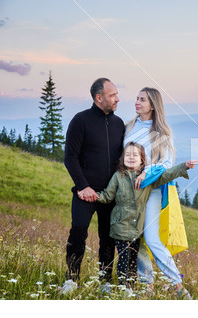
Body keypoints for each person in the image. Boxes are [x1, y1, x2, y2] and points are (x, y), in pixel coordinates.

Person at [93, 141, 198, 288]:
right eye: (127, 154)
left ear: (142, 160)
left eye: (135, 155)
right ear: (122, 158)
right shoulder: (118, 176)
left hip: (137, 228)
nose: (131, 157)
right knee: (124, 258)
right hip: (121, 226)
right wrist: (93, 196)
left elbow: (166, 175)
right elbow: (107, 195)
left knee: (133, 260)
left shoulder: (147, 180)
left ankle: (130, 286)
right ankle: (123, 287)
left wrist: (183, 166)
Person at [124, 87, 190, 298]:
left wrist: (146, 173)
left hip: (150, 189)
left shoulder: (161, 133)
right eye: (136, 98)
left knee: (152, 239)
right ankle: (146, 285)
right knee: (136, 237)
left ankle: (178, 286)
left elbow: (167, 163)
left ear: (152, 105)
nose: (137, 102)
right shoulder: (129, 127)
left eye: (142, 99)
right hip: (128, 190)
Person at [63, 78, 125, 288]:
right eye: (112, 95)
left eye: (117, 94)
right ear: (99, 98)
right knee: (78, 232)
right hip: (84, 193)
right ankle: (71, 280)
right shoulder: (80, 120)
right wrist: (83, 186)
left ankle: (105, 282)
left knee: (108, 239)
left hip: (110, 195)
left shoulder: (118, 124)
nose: (118, 98)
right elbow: (70, 157)